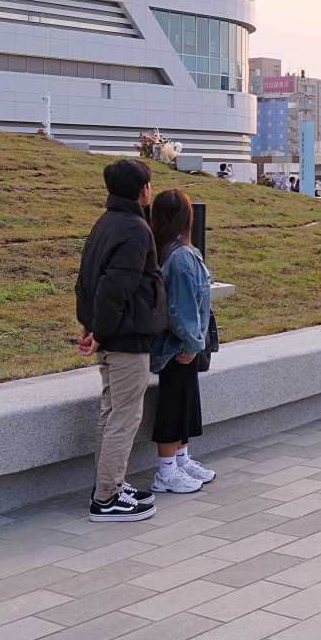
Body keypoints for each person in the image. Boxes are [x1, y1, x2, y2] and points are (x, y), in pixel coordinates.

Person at [74, 159, 164, 521]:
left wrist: (91, 325)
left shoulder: (107, 222)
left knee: (111, 413)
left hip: (112, 332)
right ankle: (106, 497)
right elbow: (115, 287)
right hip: (126, 337)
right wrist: (103, 331)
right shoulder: (135, 229)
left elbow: (86, 278)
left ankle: (109, 483)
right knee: (123, 417)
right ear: (142, 190)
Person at [147, 189, 216, 494]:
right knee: (174, 407)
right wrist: (191, 345)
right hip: (178, 349)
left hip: (182, 346)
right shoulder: (181, 257)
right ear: (186, 217)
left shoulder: (171, 251)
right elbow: (181, 308)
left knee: (186, 403)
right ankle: (165, 472)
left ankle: (181, 459)